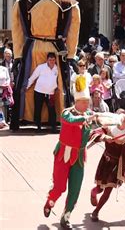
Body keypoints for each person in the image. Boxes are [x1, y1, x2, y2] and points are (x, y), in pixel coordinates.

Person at [10, 0, 80, 131]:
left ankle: (57, 118)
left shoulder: (69, 5)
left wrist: (70, 56)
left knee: (59, 88)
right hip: (31, 50)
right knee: (27, 86)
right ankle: (25, 117)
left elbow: (73, 33)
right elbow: (18, 31)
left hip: (57, 51)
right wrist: (18, 55)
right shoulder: (22, 3)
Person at [42, 77, 96, 229]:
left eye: (88, 101)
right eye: (84, 102)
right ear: (77, 102)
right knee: (59, 187)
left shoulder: (90, 114)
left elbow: (98, 127)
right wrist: (85, 118)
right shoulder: (67, 112)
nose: (87, 104)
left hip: (78, 157)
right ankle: (50, 202)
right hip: (63, 155)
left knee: (75, 189)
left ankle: (66, 217)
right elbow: (71, 120)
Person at [89, 110, 125, 222]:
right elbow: (94, 133)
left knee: (108, 190)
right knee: (99, 189)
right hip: (105, 162)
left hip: (116, 167)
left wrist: (124, 172)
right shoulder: (108, 129)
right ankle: (93, 193)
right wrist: (104, 137)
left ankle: (96, 212)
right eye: (124, 120)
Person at [26, 52, 59, 132]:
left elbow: (59, 80)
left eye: (53, 60)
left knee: (52, 110)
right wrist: (27, 86)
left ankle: (53, 127)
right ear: (47, 60)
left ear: (55, 60)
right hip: (39, 92)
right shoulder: (41, 67)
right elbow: (33, 77)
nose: (51, 61)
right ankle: (38, 127)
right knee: (38, 109)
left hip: (50, 93)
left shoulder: (57, 68)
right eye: (50, 60)